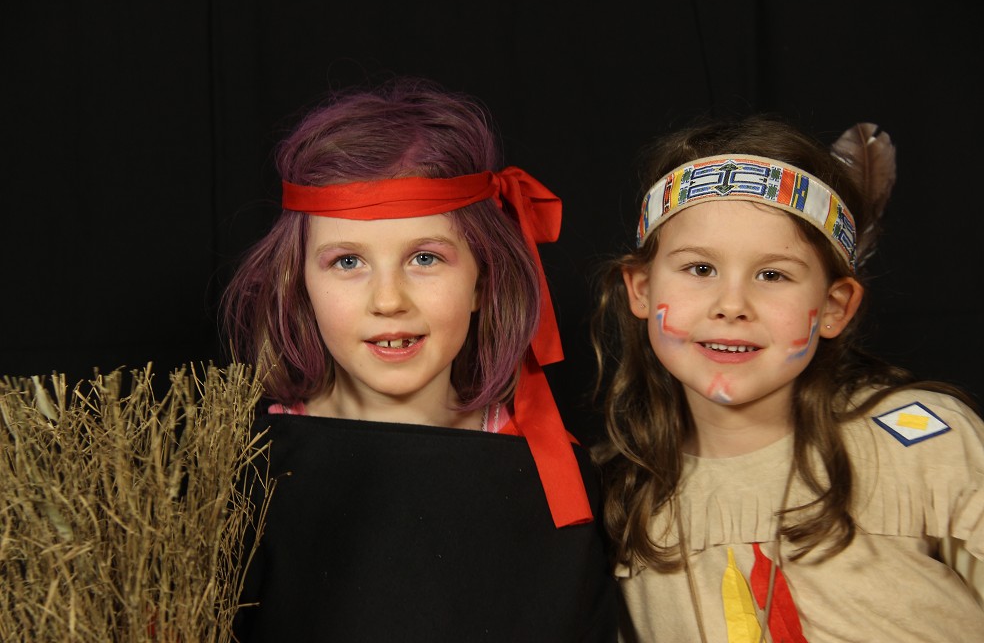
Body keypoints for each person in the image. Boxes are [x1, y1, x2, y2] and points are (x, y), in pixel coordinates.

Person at [221, 77, 617, 642]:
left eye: (425, 258)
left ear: (483, 279)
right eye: (347, 262)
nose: (388, 301)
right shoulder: (241, 473)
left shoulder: (557, 480)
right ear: (298, 282)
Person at [589, 113, 984, 642]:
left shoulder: (919, 442)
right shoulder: (619, 494)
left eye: (772, 274)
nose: (732, 304)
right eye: (700, 269)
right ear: (640, 289)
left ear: (834, 307)